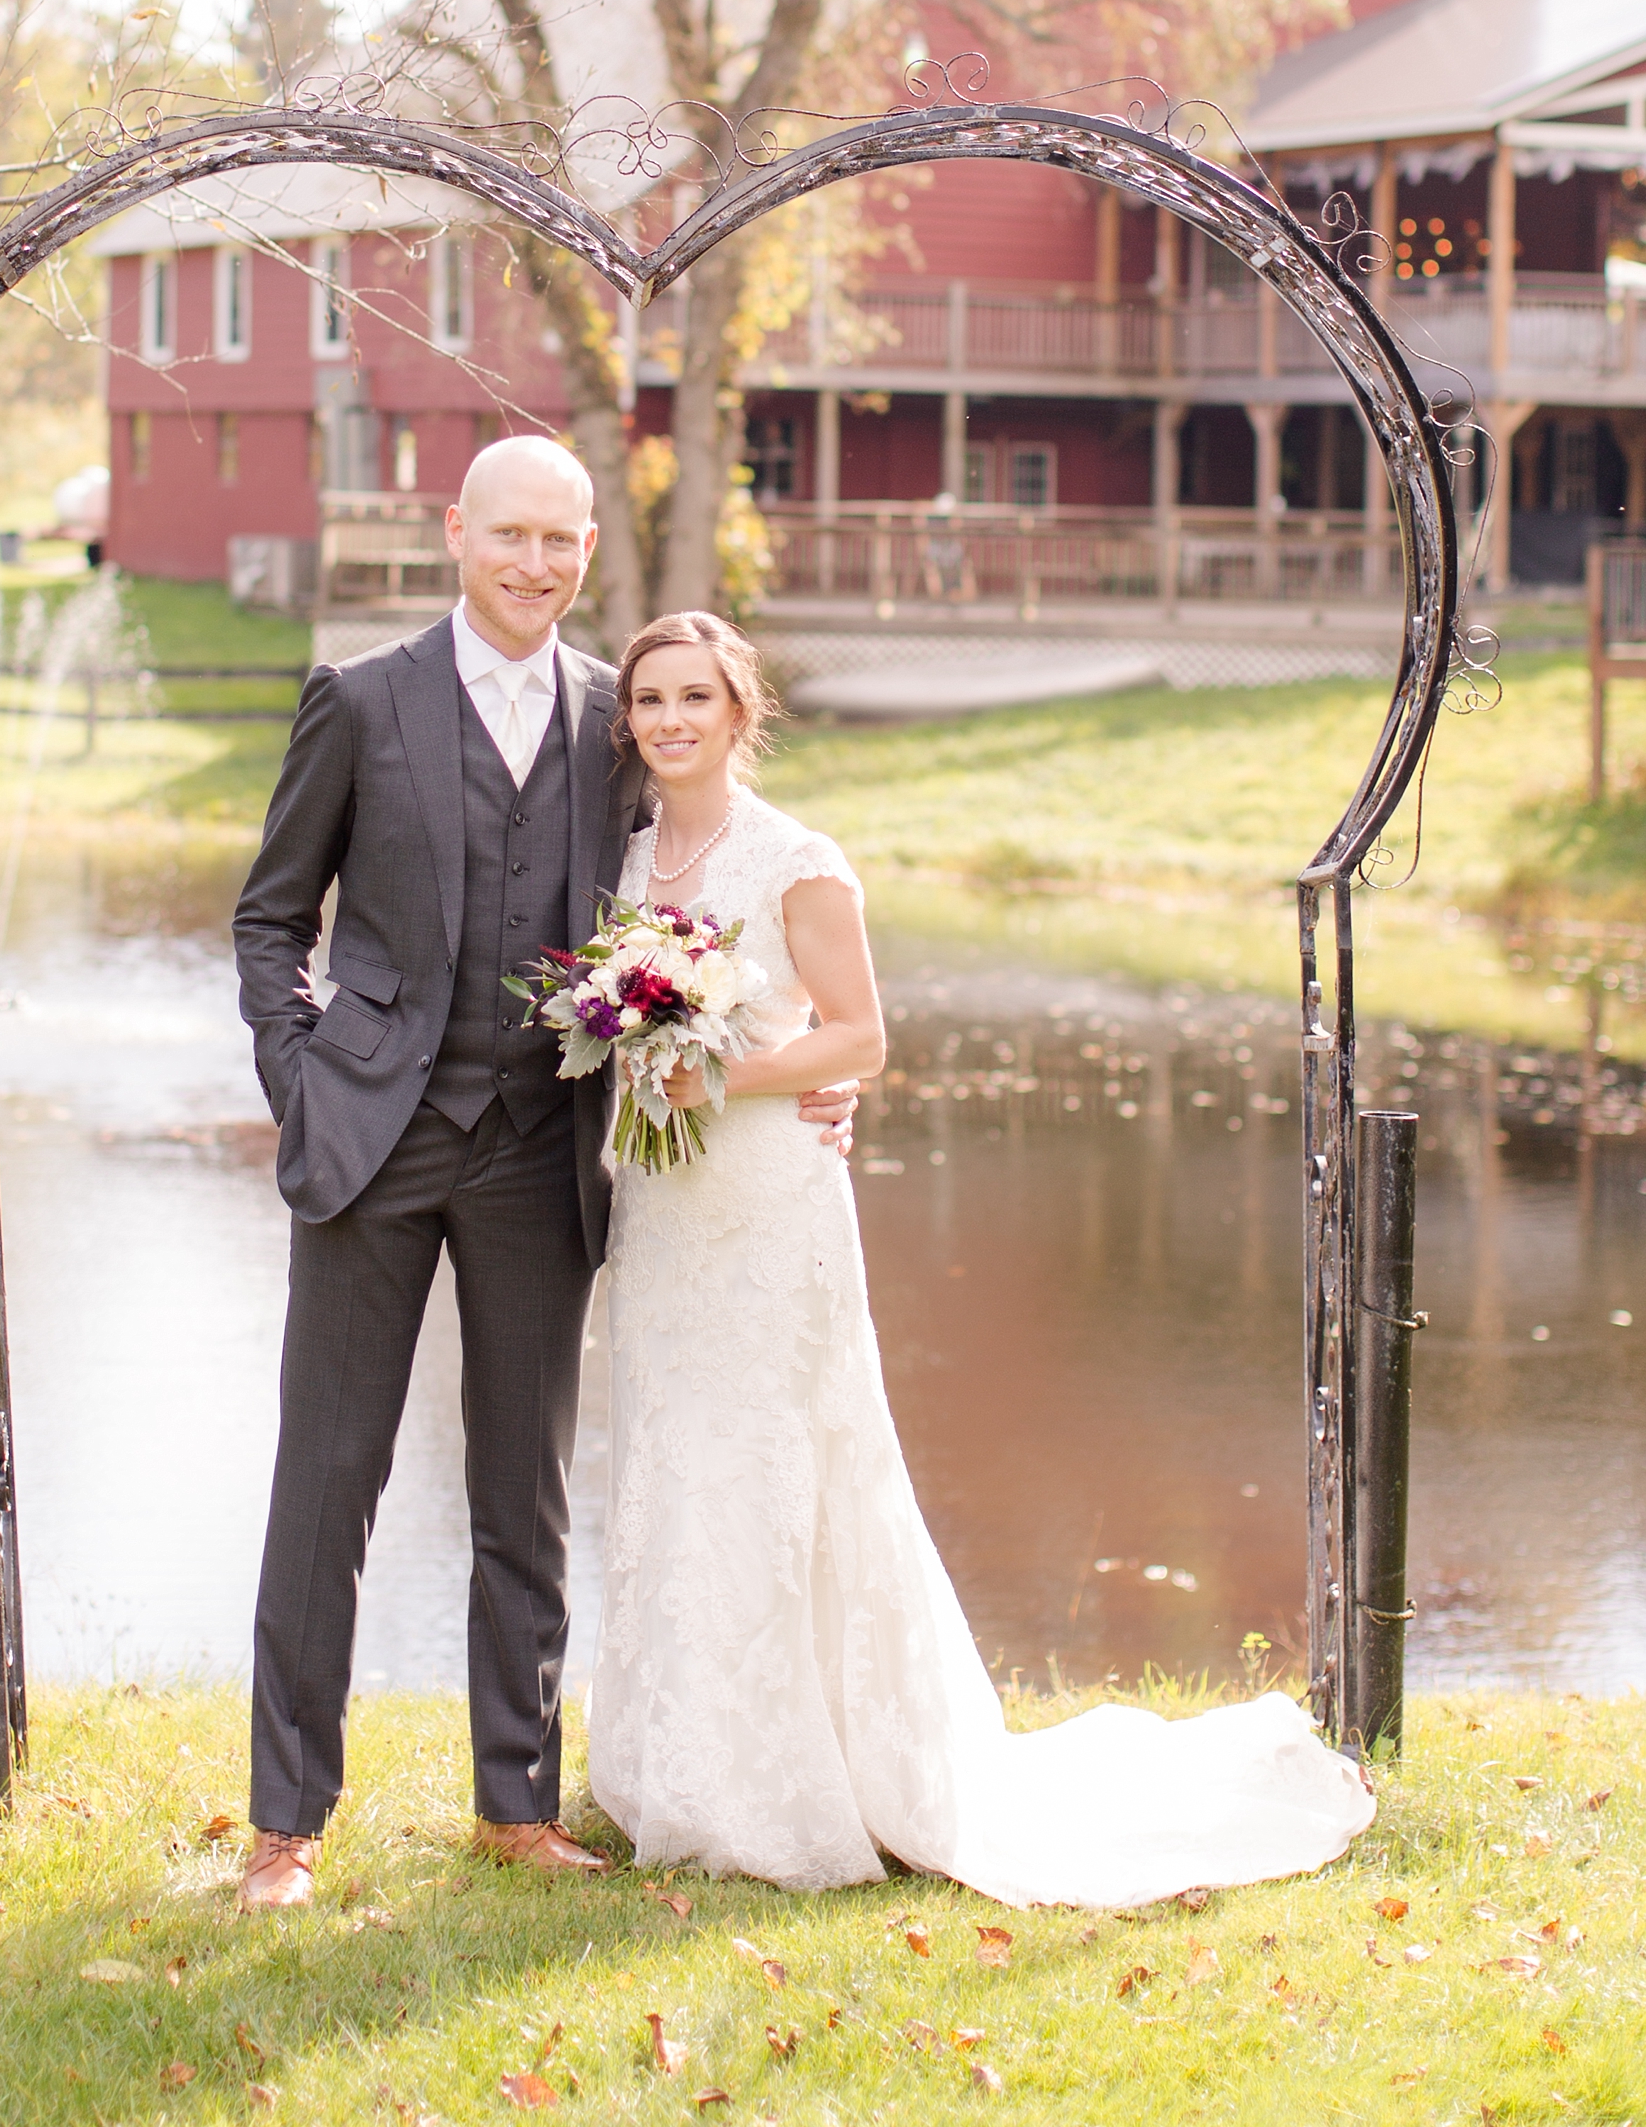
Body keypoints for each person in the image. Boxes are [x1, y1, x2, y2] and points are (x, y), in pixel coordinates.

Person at [587, 609, 1376, 1904]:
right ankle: (677, 1760)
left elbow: (859, 1043)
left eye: (696, 698)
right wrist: (648, 1066)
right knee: (677, 1446)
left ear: (740, 712)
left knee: (785, 1455)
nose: (671, 721)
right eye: (651, 701)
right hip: (666, 1210)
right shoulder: (622, 862)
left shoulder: (798, 860)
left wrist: (711, 1078)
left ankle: (810, 1773)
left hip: (770, 1202)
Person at [229, 444, 857, 1908]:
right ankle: (287, 1824)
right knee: (329, 1481)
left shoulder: (613, 721)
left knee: (527, 1492)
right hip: (371, 1147)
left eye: (558, 541)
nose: (531, 564)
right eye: (506, 534)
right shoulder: (360, 698)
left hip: (539, 1156)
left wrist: (796, 1069)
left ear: (586, 550)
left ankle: (515, 1802)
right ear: (456, 533)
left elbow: (706, 913)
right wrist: (303, 1078)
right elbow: (271, 921)